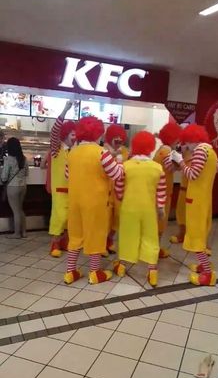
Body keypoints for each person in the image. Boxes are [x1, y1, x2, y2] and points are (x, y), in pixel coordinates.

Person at [64, 116, 124, 285]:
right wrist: (119, 160)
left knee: (75, 235)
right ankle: (95, 272)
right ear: (98, 134)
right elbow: (117, 175)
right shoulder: (101, 152)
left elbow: (67, 175)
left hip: (75, 202)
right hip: (96, 203)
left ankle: (70, 272)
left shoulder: (72, 153)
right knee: (96, 235)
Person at [114, 131, 167, 288]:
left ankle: (122, 266)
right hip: (149, 209)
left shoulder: (126, 166)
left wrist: (122, 198)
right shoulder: (157, 168)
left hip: (129, 208)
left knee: (127, 236)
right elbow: (161, 190)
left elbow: (118, 188)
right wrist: (161, 207)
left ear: (134, 146)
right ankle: (152, 271)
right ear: (151, 148)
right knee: (150, 237)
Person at [171, 124, 218, 286]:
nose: (185, 147)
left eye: (185, 143)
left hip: (196, 201)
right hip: (204, 199)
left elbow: (193, 174)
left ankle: (208, 274)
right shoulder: (210, 151)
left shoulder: (200, 151)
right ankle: (203, 265)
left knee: (196, 235)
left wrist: (180, 162)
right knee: (201, 232)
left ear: (191, 140)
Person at [49, 101, 76, 257]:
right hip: (59, 192)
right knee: (59, 217)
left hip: (71, 191)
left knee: (69, 219)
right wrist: (65, 109)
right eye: (72, 134)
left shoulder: (73, 152)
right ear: (65, 134)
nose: (75, 137)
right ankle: (54, 244)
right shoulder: (56, 150)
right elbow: (54, 131)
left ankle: (64, 242)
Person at [153, 122, 182, 258]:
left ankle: (155, 249)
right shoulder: (166, 151)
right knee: (159, 223)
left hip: (159, 190)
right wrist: (181, 164)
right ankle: (155, 250)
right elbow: (169, 168)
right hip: (162, 192)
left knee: (157, 222)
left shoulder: (161, 149)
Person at [104, 124, 129, 254]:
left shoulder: (125, 151)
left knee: (117, 218)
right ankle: (102, 244)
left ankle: (110, 241)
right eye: (116, 137)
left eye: (121, 138)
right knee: (105, 218)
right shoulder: (103, 150)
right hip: (105, 189)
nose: (118, 140)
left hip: (120, 189)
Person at [1, 137, 28, 238]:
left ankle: (16, 233)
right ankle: (24, 232)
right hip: (23, 186)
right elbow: (26, 173)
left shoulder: (8, 159)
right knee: (20, 209)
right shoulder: (24, 158)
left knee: (16, 210)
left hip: (12, 187)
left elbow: (4, 176)